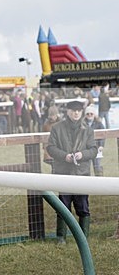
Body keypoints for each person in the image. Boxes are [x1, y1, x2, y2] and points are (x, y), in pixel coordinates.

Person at [46, 99, 98, 243]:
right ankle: (61, 237)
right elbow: (50, 147)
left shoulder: (88, 130)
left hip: (82, 173)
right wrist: (65, 156)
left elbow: (93, 150)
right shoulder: (57, 128)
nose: (76, 113)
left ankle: (83, 237)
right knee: (63, 206)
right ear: (67, 111)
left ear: (81, 112)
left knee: (83, 206)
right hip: (63, 173)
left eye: (78, 111)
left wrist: (83, 155)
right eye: (73, 110)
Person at [84, 105, 105, 176]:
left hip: (97, 148)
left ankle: (99, 181)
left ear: (94, 114)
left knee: (97, 166)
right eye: (87, 114)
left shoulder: (99, 124)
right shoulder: (82, 124)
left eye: (91, 113)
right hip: (86, 149)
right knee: (86, 167)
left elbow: (103, 135)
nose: (89, 115)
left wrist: (101, 145)